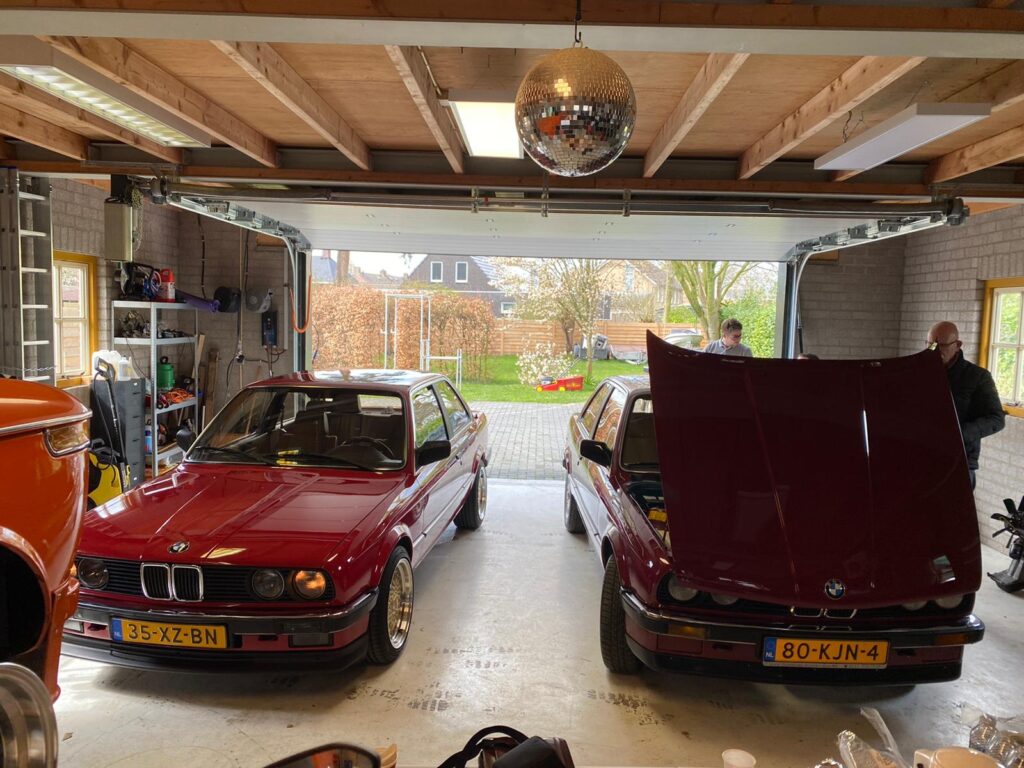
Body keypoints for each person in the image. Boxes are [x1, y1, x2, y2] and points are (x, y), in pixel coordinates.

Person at [927, 320, 1005, 490]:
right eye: (930, 345)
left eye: (941, 346)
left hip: (959, 462)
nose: (934, 351)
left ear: (958, 345)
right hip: (922, 458)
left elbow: (996, 419)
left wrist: (957, 434)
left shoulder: (978, 377)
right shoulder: (919, 374)